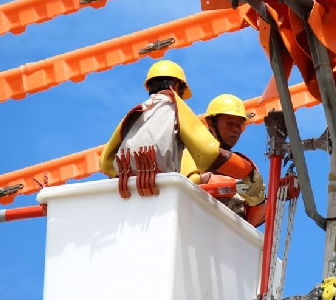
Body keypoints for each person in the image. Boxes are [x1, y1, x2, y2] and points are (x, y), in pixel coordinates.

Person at [99, 60, 261, 193]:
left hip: (130, 191)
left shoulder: (136, 113)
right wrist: (247, 172)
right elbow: (208, 152)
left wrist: (131, 177)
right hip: (166, 192)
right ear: (176, 87)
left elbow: (105, 162)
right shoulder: (176, 109)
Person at [181, 94, 266, 227]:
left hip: (229, 236)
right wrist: (234, 186)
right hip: (195, 227)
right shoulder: (193, 152)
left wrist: (259, 201)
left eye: (239, 126)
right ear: (211, 123)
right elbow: (190, 183)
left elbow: (252, 222)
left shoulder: (244, 165)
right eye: (230, 123)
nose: (235, 130)